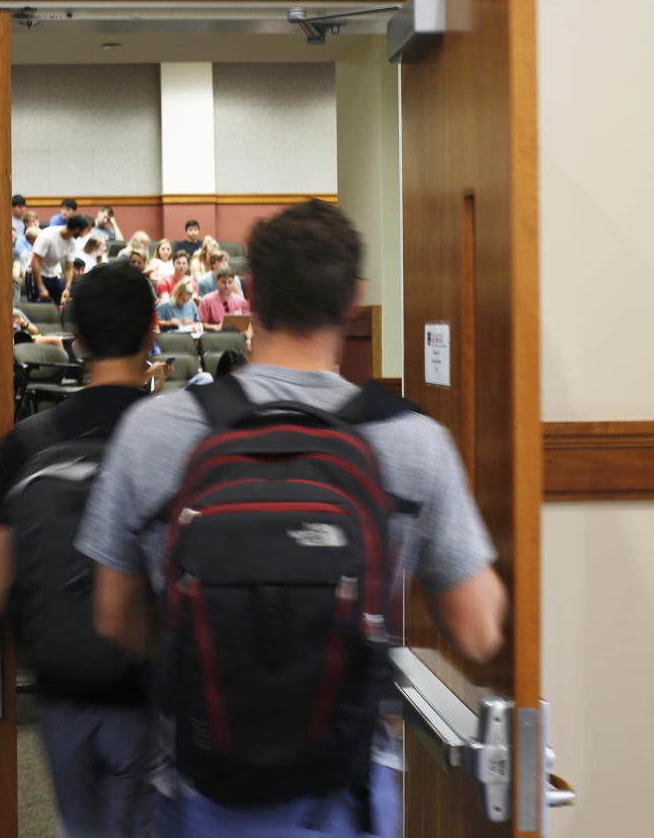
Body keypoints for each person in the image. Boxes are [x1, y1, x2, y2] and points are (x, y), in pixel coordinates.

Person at [76, 199, 507, 838]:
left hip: (196, 790)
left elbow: (113, 616)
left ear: (250, 292)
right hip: (345, 796)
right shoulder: (415, 441)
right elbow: (476, 633)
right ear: (353, 300)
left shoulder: (153, 430)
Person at [0, 261, 172, 838]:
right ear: (152, 329)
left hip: (61, 690)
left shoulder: (24, 444)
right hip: (149, 690)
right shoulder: (174, 440)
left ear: (76, 336)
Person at [31, 214, 91, 306]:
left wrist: (67, 288)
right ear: (77, 229)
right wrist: (41, 287)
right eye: (84, 231)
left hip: (52, 274)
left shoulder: (72, 242)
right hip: (35, 274)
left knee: (60, 305)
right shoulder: (48, 235)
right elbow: (35, 262)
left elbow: (69, 268)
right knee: (38, 307)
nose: (83, 235)